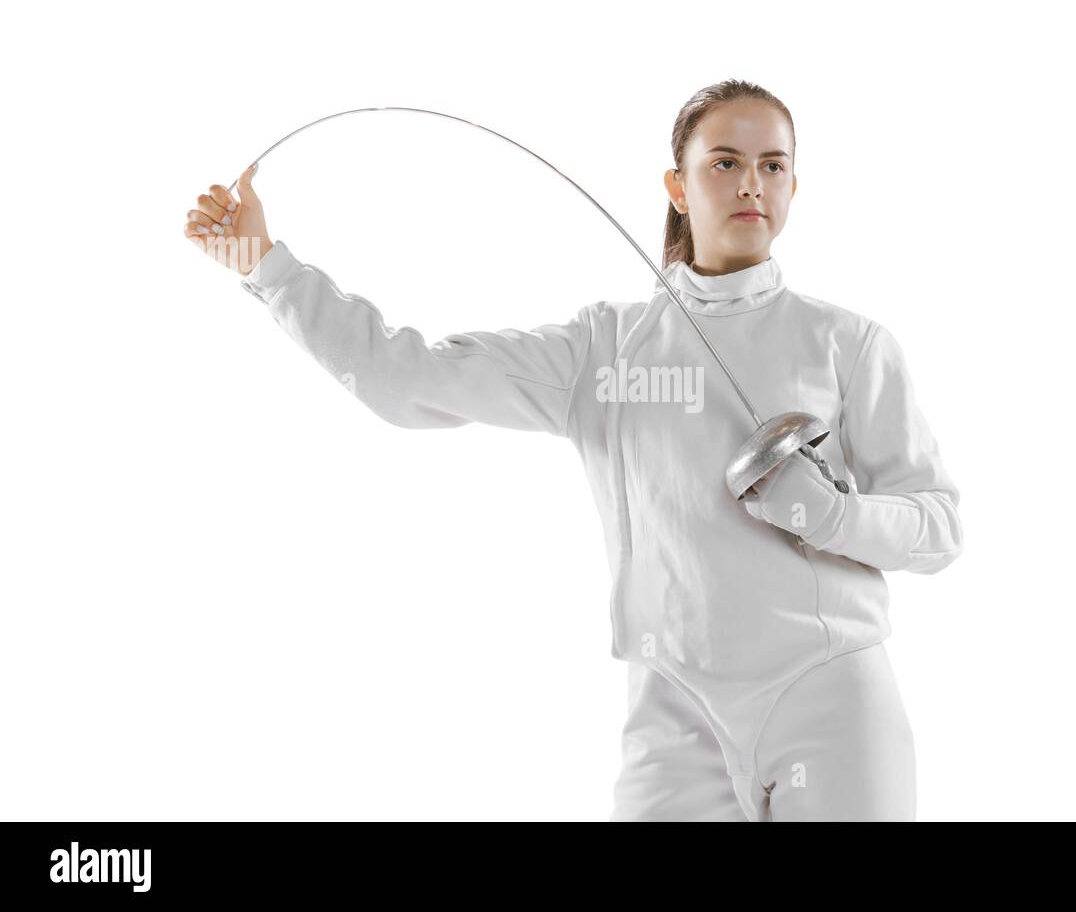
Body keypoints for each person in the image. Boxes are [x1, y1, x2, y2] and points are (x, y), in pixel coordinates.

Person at [183, 79, 964, 821]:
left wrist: (831, 514)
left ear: (794, 185)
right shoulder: (606, 348)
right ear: (677, 185)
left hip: (827, 694)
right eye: (724, 162)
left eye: (772, 165)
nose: (750, 184)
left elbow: (936, 529)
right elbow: (404, 377)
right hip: (673, 706)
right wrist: (268, 266)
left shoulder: (849, 343)